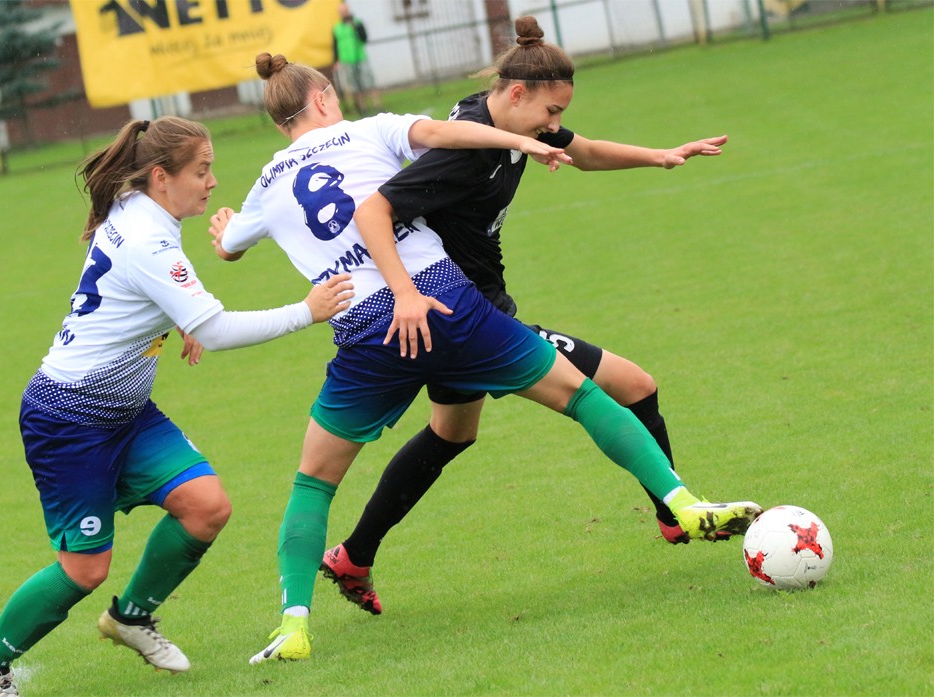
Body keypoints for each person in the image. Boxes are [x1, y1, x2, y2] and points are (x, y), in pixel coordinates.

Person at [208, 52, 760, 662]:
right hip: (445, 301)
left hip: (364, 330)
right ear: (322, 100)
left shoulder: (265, 184)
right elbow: (439, 141)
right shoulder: (370, 130)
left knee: (318, 480)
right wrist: (515, 145)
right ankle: (682, 506)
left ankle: (294, 624)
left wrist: (228, 228)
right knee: (581, 394)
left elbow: (228, 246)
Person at [320, 15, 734, 616]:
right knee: (634, 386)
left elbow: (584, 153)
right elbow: (373, 211)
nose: (555, 125)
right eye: (551, 111)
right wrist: (404, 292)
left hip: (467, 312)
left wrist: (662, 156)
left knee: (451, 433)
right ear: (517, 94)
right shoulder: (464, 153)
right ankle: (676, 513)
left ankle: (354, 555)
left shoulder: (508, 126)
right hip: (472, 319)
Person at [0, 116, 353, 697]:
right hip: (70, 417)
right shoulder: (149, 238)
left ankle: (131, 618)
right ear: (161, 177)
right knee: (84, 569)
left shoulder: (135, 208)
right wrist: (307, 311)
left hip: (124, 410)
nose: (212, 182)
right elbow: (215, 329)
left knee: (205, 506)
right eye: (202, 170)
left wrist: (172, 319)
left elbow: (127, 287)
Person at [332, 2, 384, 117]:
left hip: (360, 57)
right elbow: (335, 45)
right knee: (354, 85)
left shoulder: (357, 23)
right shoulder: (337, 28)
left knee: (369, 82)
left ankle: (378, 105)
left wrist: (354, 27)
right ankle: (362, 108)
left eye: (345, 11)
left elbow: (364, 38)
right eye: (341, 12)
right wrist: (336, 60)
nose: (344, 13)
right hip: (346, 60)